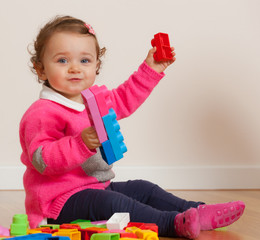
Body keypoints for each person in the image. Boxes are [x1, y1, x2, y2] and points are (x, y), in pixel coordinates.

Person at [19, 15, 245, 239]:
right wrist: (80, 143)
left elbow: (125, 99)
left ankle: (195, 210)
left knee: (143, 188)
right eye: (62, 61)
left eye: (84, 61)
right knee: (113, 203)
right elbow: (42, 159)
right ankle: (171, 223)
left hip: (97, 188)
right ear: (41, 70)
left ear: (97, 66)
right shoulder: (42, 112)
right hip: (58, 203)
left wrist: (152, 69)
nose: (75, 68)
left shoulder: (93, 100)